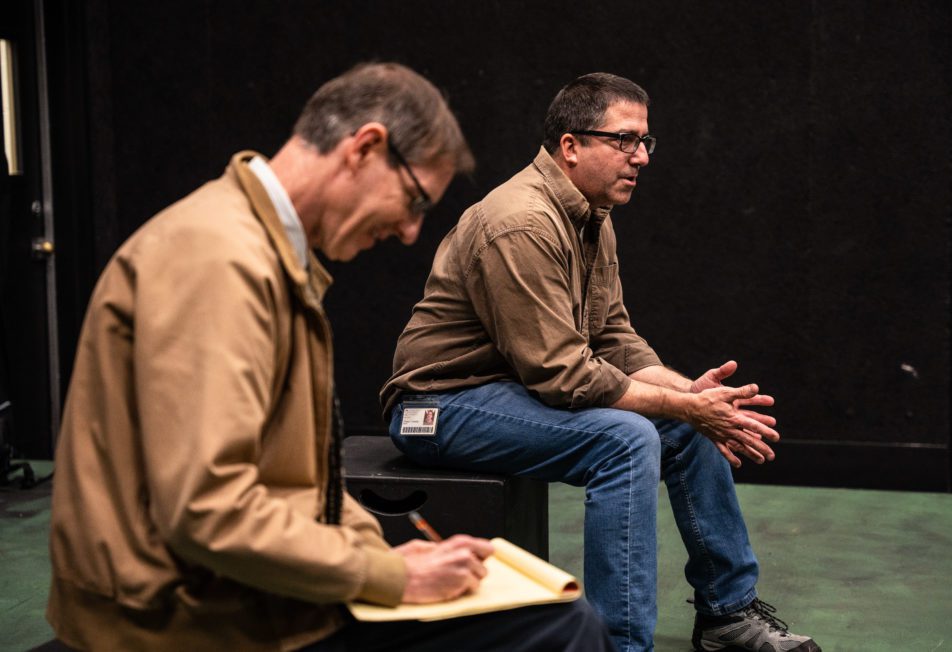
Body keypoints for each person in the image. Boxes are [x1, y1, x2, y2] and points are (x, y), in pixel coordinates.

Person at [47, 63, 612, 652]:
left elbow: (291, 481)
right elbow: (208, 510)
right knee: (561, 630)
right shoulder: (218, 260)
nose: (411, 232)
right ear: (365, 148)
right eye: (415, 200)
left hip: (243, 593)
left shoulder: (259, 252)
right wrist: (390, 576)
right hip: (185, 619)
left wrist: (380, 555)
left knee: (552, 617)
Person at [382, 73, 821, 652]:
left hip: (511, 393)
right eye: (624, 140)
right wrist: (683, 403)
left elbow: (613, 337)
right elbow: (561, 374)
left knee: (686, 425)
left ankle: (728, 617)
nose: (640, 157)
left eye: (645, 142)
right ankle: (618, 645)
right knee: (626, 439)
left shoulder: (591, 216)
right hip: (438, 406)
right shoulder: (521, 222)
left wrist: (697, 398)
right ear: (571, 145)